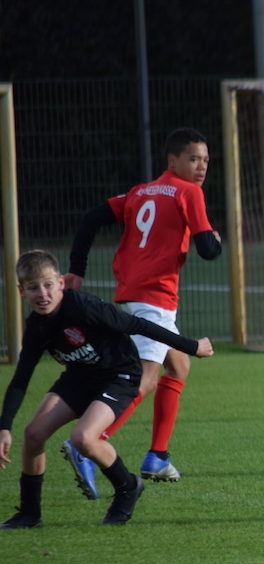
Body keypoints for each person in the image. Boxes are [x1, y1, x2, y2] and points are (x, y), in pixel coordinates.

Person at [0, 251, 214, 529]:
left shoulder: (85, 307)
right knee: (33, 434)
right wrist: (4, 427)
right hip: (79, 378)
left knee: (83, 438)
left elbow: (139, 325)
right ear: (21, 292)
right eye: (33, 287)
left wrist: (192, 346)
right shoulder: (36, 327)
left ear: (61, 283)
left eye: (48, 285)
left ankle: (128, 487)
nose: (42, 294)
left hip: (119, 376)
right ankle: (30, 514)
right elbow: (20, 379)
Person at [63, 127, 222, 494]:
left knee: (178, 366)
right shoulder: (189, 192)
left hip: (131, 294)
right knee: (144, 379)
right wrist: (215, 241)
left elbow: (90, 219)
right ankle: (88, 443)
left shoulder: (140, 192)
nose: (201, 167)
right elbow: (207, 250)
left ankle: (157, 456)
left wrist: (77, 269)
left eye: (205, 160)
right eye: (194, 159)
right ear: (172, 160)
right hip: (155, 297)